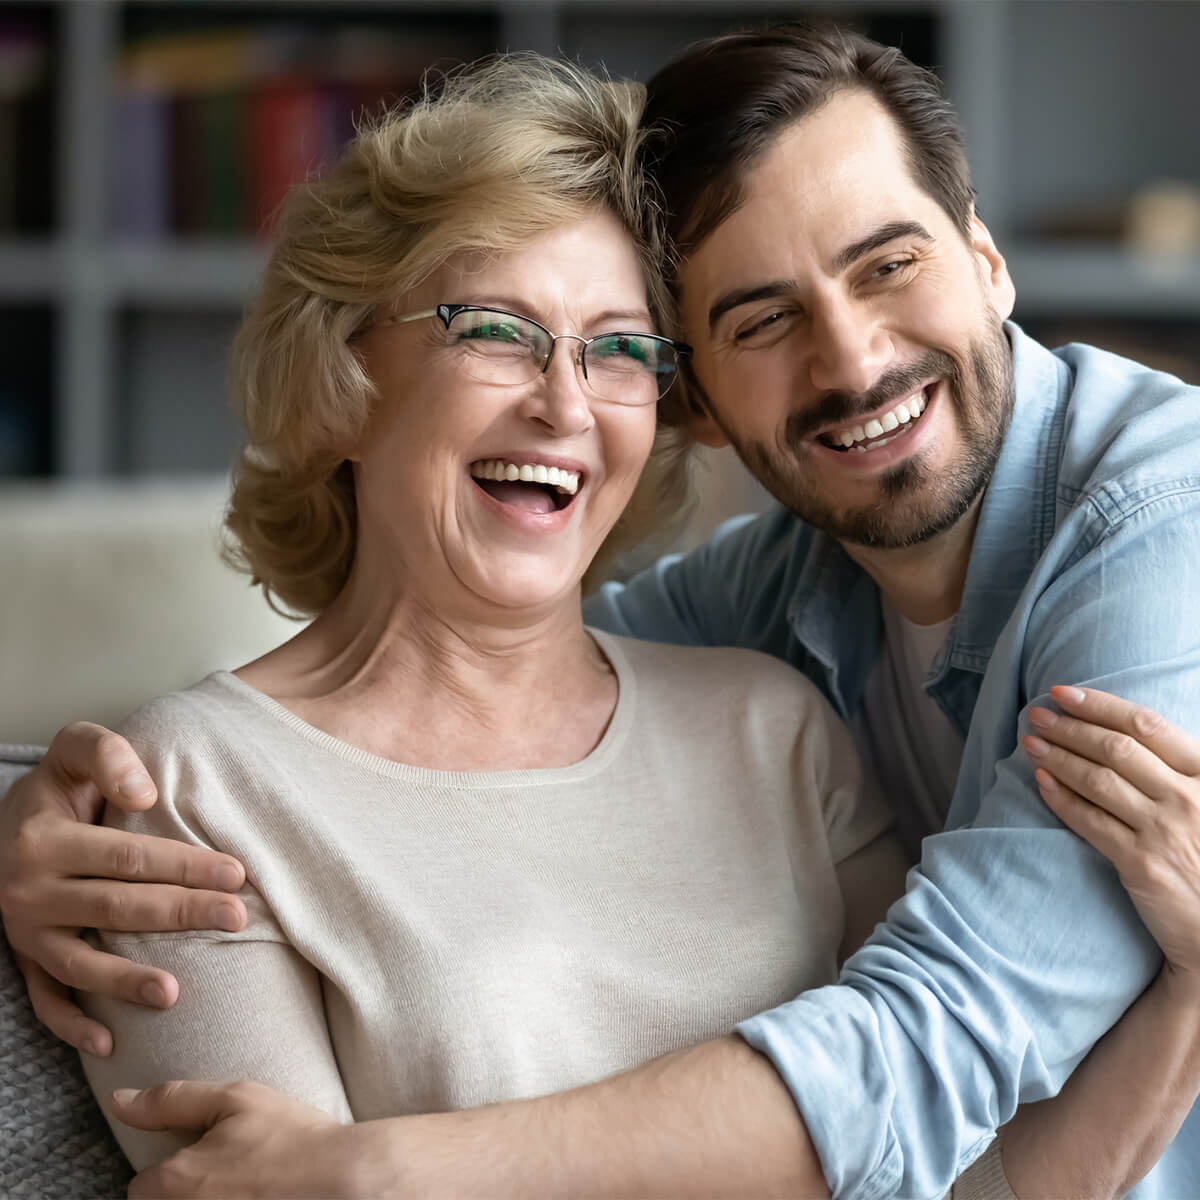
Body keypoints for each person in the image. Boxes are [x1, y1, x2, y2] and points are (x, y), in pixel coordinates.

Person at [3, 21, 1200, 1200]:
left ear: (987, 260)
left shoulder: (796, 712)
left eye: (620, 348)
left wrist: (381, 1170)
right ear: (345, 377)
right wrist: (23, 805)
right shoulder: (182, 803)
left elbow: (958, 1089)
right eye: (496, 330)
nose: (567, 405)